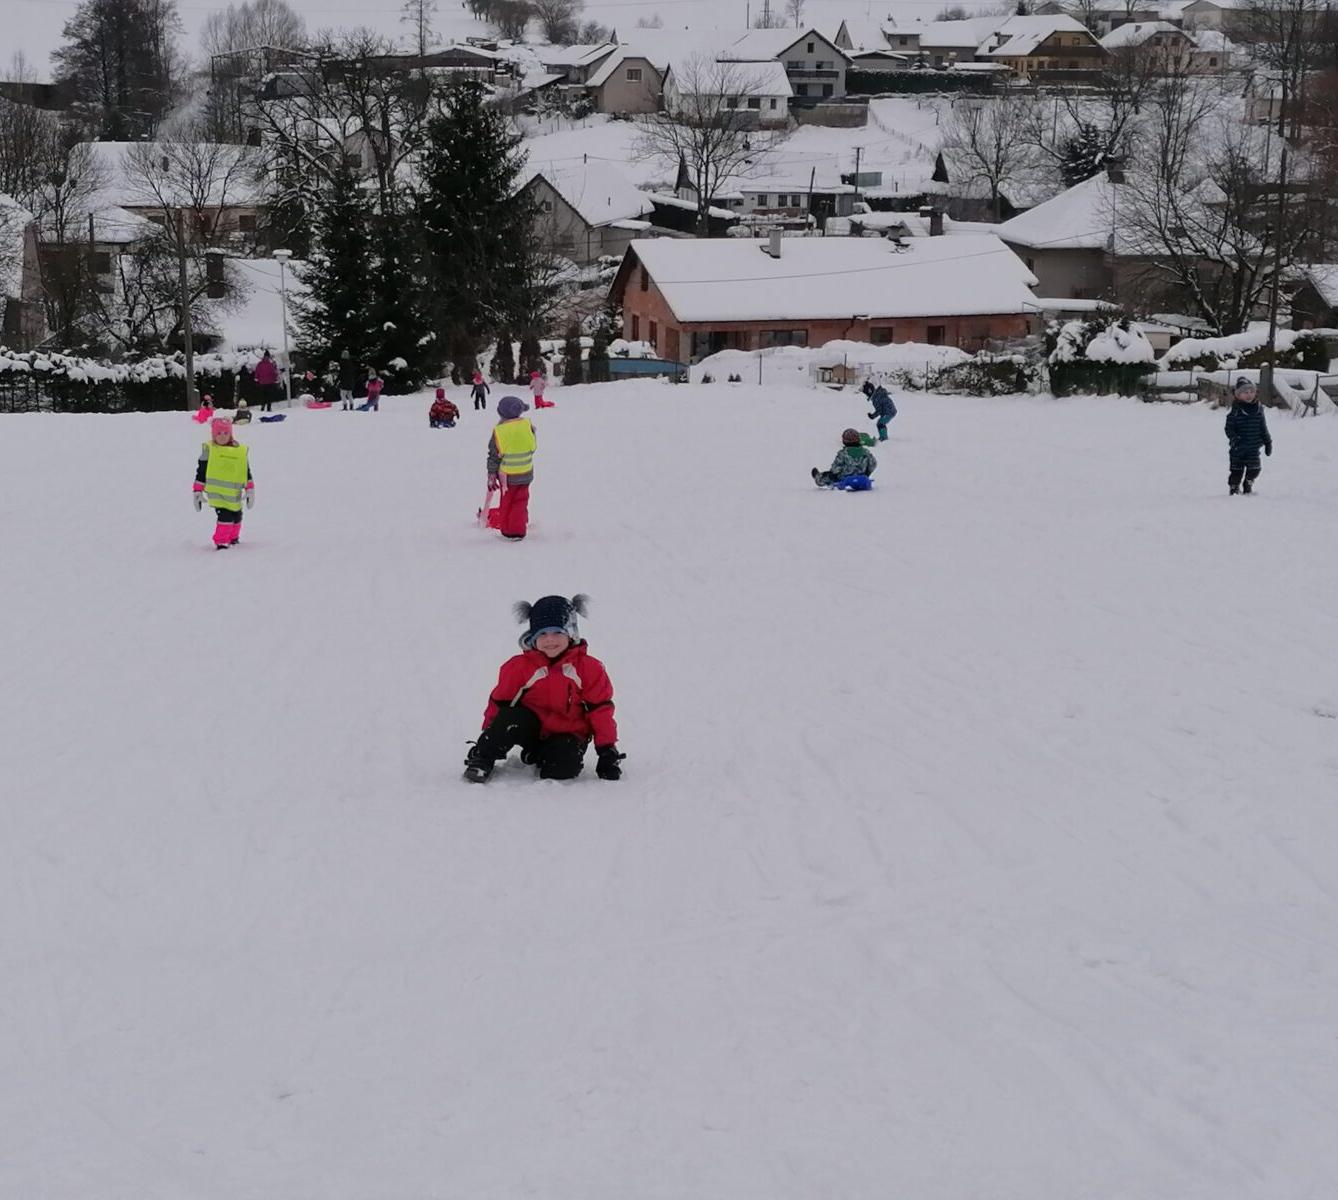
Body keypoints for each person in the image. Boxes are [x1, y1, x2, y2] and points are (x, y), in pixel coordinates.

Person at [463, 594, 624, 784]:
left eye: (557, 632)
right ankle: (482, 759)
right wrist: (489, 736)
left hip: (568, 734)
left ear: (571, 633)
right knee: (510, 718)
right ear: (533, 637)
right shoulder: (519, 667)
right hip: (531, 728)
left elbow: (600, 710)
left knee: (562, 770)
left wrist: (607, 751)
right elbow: (500, 702)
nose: (550, 640)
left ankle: (537, 755)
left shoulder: (589, 668)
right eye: (543, 634)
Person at [193, 416, 254, 549]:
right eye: (218, 433)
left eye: (226, 433)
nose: (222, 436)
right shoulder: (209, 450)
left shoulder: (239, 451)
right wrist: (197, 490)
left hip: (234, 493)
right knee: (226, 517)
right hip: (218, 494)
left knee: (237, 515)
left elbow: (246, 471)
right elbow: (201, 472)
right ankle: (221, 542)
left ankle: (233, 538)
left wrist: (250, 488)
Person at [486, 395, 537, 540]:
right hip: (526, 473)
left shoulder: (500, 431)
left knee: (508, 502)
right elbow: (532, 447)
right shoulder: (528, 426)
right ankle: (520, 522)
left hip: (508, 476)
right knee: (521, 500)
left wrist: (491, 473)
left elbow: (494, 455)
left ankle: (512, 530)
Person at [1225, 376, 1273, 495]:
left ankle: (1248, 482)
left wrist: (1268, 442)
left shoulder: (1258, 409)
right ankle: (1234, 487)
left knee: (1255, 469)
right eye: (1245, 392)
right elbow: (1229, 428)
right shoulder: (1236, 410)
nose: (1249, 394)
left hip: (1253, 447)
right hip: (1238, 448)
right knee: (1237, 470)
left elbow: (1263, 427)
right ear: (1238, 395)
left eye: (1251, 391)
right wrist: (1235, 439)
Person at [812, 428, 877, 489]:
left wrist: (833, 473)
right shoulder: (865, 452)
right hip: (861, 477)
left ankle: (819, 478)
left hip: (843, 479)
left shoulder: (843, 453)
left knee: (828, 476)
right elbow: (873, 464)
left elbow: (835, 469)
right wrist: (867, 473)